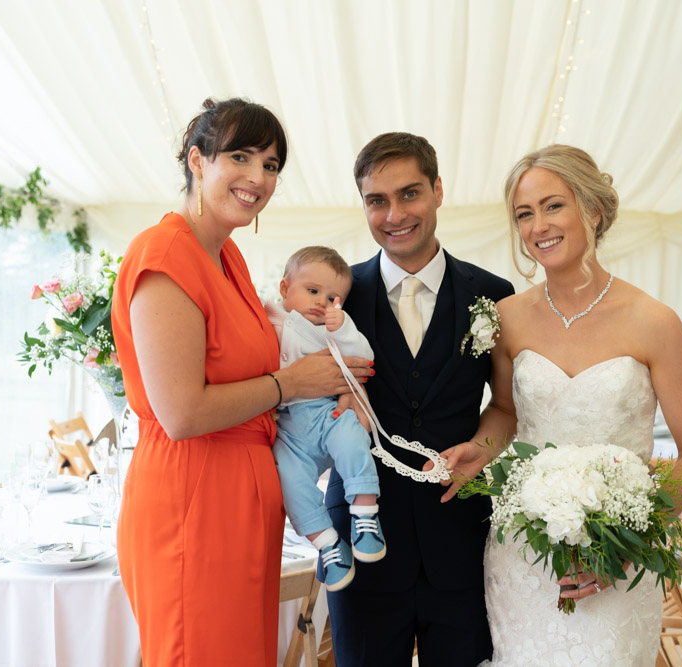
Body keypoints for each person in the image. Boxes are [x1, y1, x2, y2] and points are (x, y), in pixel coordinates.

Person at [111, 97, 371, 667]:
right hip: (192, 501)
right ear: (196, 160)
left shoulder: (227, 258)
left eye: (271, 165)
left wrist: (335, 384)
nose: (258, 177)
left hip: (241, 507)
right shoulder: (166, 255)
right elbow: (181, 413)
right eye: (241, 157)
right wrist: (291, 384)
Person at [437, 144, 682, 666]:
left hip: (620, 556)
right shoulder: (508, 317)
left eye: (553, 206)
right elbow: (505, 410)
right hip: (523, 554)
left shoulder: (654, 321)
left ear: (593, 209)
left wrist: (627, 544)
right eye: (524, 213)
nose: (538, 225)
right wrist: (481, 447)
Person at [323, 132, 514, 666]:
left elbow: (506, 408)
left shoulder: (494, 295)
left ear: (438, 191)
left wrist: (482, 449)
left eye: (409, 193)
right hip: (362, 534)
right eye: (376, 200)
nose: (394, 214)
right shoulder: (334, 297)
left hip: (460, 535)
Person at [264, 246, 383, 592]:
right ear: (285, 288)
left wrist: (343, 328)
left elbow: (364, 357)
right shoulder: (266, 316)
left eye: (332, 298)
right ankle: (328, 543)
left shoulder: (332, 329)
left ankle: (365, 514)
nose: (321, 302)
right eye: (312, 290)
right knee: (289, 480)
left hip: (327, 411)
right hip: (288, 427)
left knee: (352, 438)